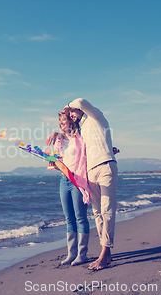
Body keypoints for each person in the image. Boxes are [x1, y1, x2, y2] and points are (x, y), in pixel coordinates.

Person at [47, 98, 118, 271]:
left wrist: (69, 106)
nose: (68, 117)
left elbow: (81, 103)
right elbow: (71, 156)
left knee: (100, 211)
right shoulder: (72, 135)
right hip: (79, 175)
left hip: (95, 171)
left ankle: (96, 252)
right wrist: (55, 159)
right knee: (91, 214)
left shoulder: (93, 120)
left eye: (71, 113)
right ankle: (81, 252)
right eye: (64, 118)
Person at [50, 111, 90, 266]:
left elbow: (91, 151)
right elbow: (58, 159)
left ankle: (82, 254)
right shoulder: (59, 140)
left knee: (80, 217)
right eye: (59, 121)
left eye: (63, 120)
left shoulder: (81, 137)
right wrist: (54, 163)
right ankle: (71, 253)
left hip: (78, 180)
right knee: (69, 218)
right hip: (64, 180)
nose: (61, 124)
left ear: (71, 121)